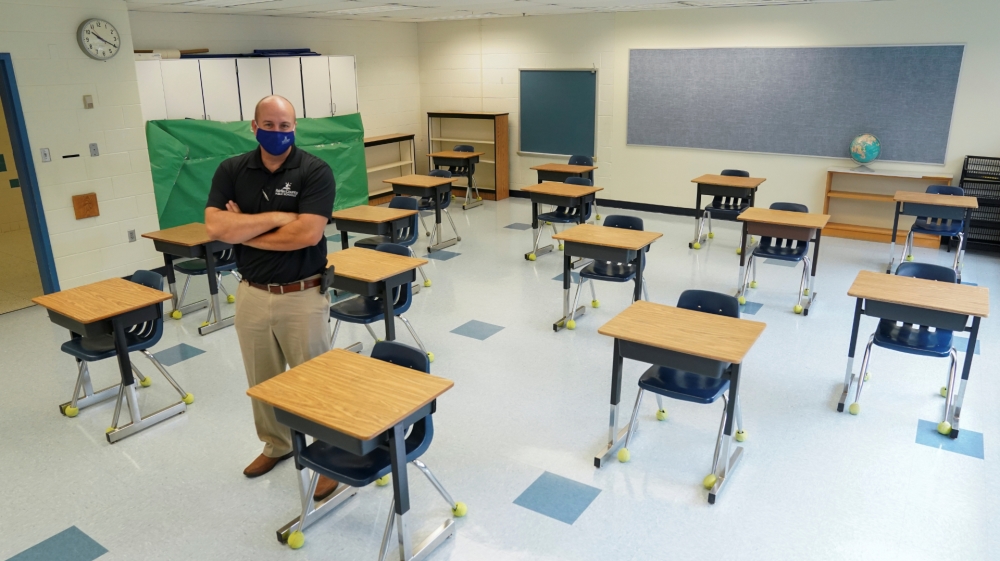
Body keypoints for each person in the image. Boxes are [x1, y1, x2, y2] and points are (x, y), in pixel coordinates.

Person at [205, 95, 338, 501]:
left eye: (285, 126)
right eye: (269, 125)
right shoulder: (232, 169)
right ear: (254, 125)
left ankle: (331, 454)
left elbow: (308, 235)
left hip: (303, 294)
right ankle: (276, 444)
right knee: (262, 380)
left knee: (315, 381)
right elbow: (216, 227)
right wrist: (281, 218)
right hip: (251, 293)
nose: (277, 133)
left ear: (294, 127)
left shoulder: (315, 170)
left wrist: (243, 226)